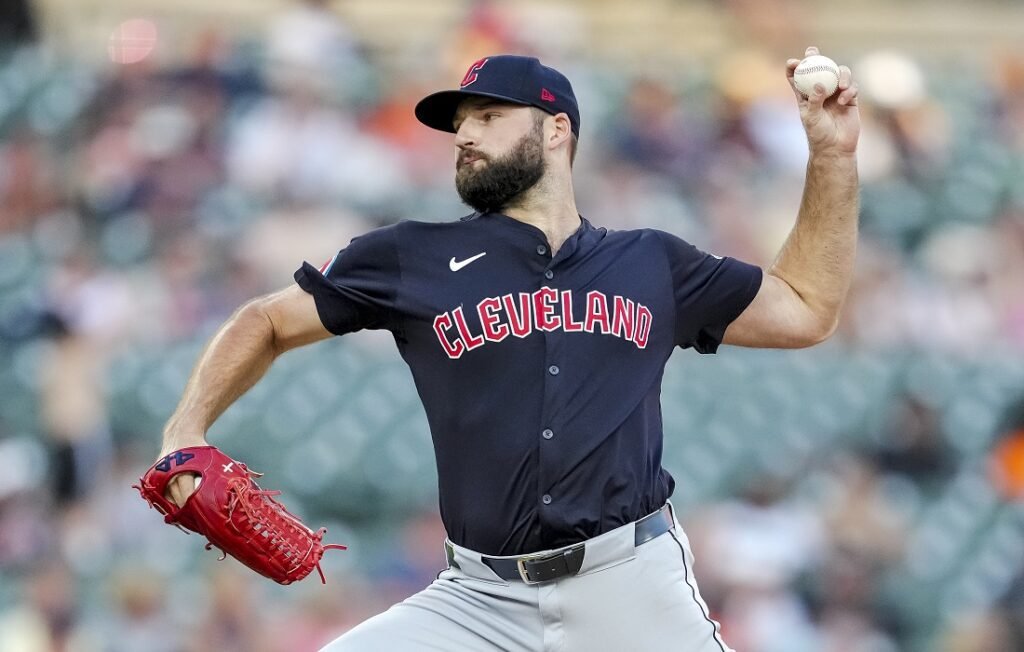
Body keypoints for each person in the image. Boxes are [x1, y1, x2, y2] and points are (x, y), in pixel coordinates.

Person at [157, 47, 860, 651]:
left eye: (488, 117)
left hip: (628, 589)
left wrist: (831, 154)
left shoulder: (651, 263)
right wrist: (183, 430)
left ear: (557, 129)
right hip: (476, 602)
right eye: (459, 124)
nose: (465, 135)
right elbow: (266, 321)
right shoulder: (411, 256)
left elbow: (805, 310)